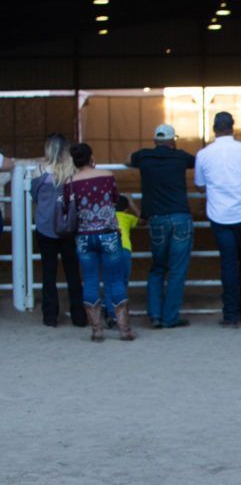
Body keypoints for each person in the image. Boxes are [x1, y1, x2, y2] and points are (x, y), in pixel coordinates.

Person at [194, 111, 241, 327]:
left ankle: (230, 314)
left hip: (219, 215)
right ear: (232, 127)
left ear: (214, 128)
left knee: (228, 264)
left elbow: (199, 186)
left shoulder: (204, 154)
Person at [130, 123, 195, 329]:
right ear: (173, 141)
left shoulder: (142, 157)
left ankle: (155, 315)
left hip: (156, 219)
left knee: (157, 268)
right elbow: (196, 161)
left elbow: (130, 159)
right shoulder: (181, 157)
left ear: (154, 141)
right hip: (180, 217)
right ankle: (170, 317)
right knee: (177, 269)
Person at [69, 142, 135, 341]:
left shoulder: (70, 181)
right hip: (108, 234)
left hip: (84, 236)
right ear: (91, 158)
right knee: (115, 279)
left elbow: (67, 207)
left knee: (89, 280)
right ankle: (124, 329)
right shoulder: (107, 175)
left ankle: (96, 330)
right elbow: (115, 199)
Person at [30, 134, 87, 328]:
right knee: (73, 272)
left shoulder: (38, 171)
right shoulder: (73, 171)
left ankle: (50, 317)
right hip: (69, 226)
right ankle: (79, 317)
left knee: (48, 272)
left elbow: (34, 195)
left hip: (46, 226)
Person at [102, 194, 140, 328]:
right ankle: (121, 314)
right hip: (124, 250)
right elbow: (142, 219)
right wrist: (133, 204)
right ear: (126, 209)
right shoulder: (128, 217)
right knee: (122, 282)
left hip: (108, 249)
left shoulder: (107, 217)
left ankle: (111, 314)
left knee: (108, 282)